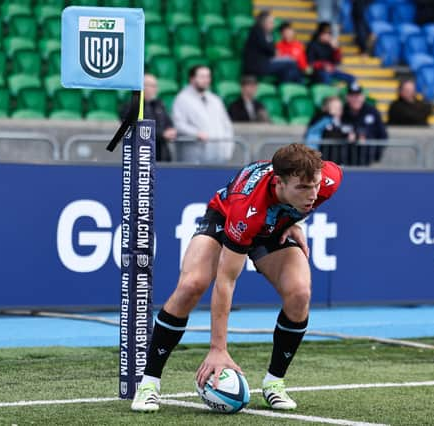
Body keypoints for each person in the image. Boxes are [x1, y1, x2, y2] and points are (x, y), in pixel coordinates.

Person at [130, 143, 343, 412]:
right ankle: (149, 383)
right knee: (191, 285)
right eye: (303, 188)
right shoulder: (246, 208)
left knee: (299, 293)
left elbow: (309, 192)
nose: (313, 194)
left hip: (274, 225)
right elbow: (226, 280)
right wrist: (218, 348)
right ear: (278, 182)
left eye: (314, 186)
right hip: (226, 218)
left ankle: (274, 383)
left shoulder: (328, 179)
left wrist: (294, 222)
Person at [171, 65, 234, 163]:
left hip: (218, 155)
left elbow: (226, 125)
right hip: (194, 156)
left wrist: (228, 149)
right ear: (192, 79)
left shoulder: (215, 99)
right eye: (202, 77)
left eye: (208, 76)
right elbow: (179, 125)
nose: (206, 80)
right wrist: (196, 133)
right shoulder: (182, 99)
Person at [119, 74, 176, 162]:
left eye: (156, 86)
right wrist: (162, 134)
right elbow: (134, 128)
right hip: (141, 155)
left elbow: (168, 122)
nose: (156, 89)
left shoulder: (159, 104)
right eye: (152, 86)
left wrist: (171, 130)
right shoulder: (130, 106)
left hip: (161, 153)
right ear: (143, 87)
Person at [242, 11, 303, 84]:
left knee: (290, 69)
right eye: (271, 22)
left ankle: (286, 87)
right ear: (263, 22)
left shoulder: (268, 33)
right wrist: (275, 52)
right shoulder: (256, 31)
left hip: (266, 62)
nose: (273, 25)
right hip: (257, 65)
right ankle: (298, 85)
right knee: (290, 63)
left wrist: (275, 52)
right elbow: (269, 48)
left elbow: (272, 49)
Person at [342, 82, 387, 165]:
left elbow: (382, 134)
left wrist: (376, 154)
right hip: (345, 160)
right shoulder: (341, 112)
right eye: (352, 96)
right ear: (347, 97)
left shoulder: (372, 111)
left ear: (363, 97)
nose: (355, 99)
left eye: (358, 96)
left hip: (368, 159)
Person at [305, 96, 357, 164]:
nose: (338, 110)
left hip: (341, 161)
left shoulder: (345, 120)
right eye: (335, 107)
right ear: (327, 108)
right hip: (323, 160)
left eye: (340, 107)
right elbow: (330, 134)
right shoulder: (321, 119)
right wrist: (346, 135)